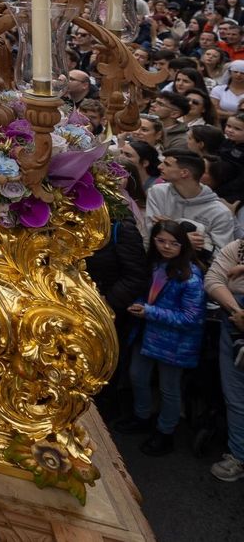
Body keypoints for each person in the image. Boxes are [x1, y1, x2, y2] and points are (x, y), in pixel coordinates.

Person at [115, 219, 206, 455]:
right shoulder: (154, 265)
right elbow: (146, 295)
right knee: (137, 376)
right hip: (147, 334)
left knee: (169, 388)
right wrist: (139, 304)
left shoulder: (190, 277)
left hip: (173, 342)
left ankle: (166, 432)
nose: (166, 247)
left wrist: (150, 311)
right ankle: (142, 416)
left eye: (173, 243)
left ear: (183, 246)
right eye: (161, 241)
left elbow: (190, 318)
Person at [204, 234, 244, 482]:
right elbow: (213, 279)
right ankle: (238, 455)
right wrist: (238, 312)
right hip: (234, 327)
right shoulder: (238, 247)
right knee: (236, 397)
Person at [144, 151, 236, 253]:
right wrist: (183, 239)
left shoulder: (220, 212)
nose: (160, 167)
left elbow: (221, 254)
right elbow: (151, 231)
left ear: (184, 173)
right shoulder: (157, 192)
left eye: (167, 164)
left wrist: (173, 231)